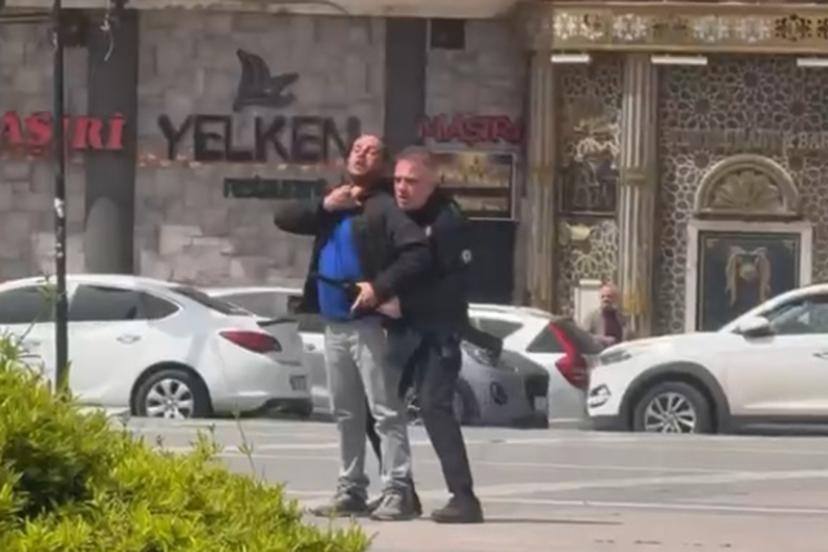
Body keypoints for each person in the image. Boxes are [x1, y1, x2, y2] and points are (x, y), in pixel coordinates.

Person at [272, 134, 430, 521]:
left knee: (386, 412)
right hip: (334, 324)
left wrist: (379, 287)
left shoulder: (384, 207)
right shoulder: (335, 202)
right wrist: (326, 205)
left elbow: (417, 253)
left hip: (370, 325)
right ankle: (351, 489)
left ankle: (398, 490)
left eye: (371, 150)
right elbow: (283, 217)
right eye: (357, 148)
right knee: (345, 412)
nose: (361, 154)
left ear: (383, 164)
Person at [374, 146, 484, 524]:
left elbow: (452, 287)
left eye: (412, 181)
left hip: (438, 331)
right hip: (404, 330)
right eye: (398, 180)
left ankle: (464, 498)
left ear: (432, 182)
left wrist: (403, 302)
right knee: (379, 408)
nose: (402, 188)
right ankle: (400, 491)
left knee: (434, 407)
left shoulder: (448, 222)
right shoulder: (395, 216)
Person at [584, 283, 631, 348]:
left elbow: (629, 337)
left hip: (620, 352)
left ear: (615, 298)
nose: (605, 299)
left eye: (609, 296)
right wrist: (604, 340)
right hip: (601, 352)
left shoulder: (622, 317)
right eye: (603, 296)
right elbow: (584, 336)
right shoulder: (592, 316)